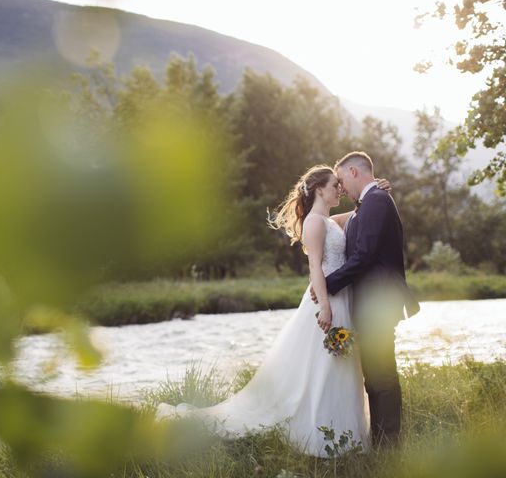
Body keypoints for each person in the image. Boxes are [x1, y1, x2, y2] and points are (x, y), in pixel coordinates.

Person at [156, 164, 392, 457]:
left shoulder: (329, 221)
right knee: (323, 366)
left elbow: (361, 214)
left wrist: (374, 190)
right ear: (319, 189)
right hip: (327, 302)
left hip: (342, 300)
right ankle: (321, 434)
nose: (340, 189)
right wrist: (326, 306)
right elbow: (315, 268)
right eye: (335, 185)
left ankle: (345, 436)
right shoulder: (314, 224)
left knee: (340, 367)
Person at [312, 151, 420, 447]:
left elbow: (365, 255)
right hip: (372, 303)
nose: (341, 186)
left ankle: (389, 444)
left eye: (342, 179)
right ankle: (382, 440)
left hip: (379, 302)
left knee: (382, 373)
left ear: (354, 172)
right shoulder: (367, 204)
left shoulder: (376, 201)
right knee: (374, 373)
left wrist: (328, 284)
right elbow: (330, 223)